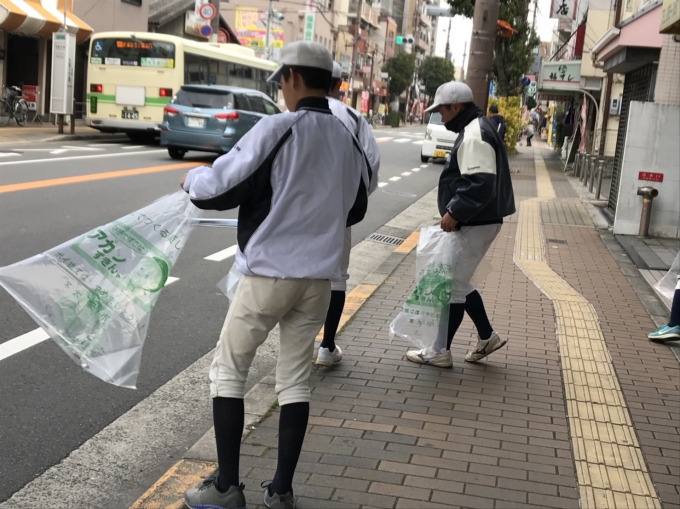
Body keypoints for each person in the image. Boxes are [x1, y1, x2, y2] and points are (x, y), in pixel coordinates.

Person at [181, 41, 370, 509]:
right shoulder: (347, 136)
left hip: (269, 275)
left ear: (292, 77)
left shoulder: (279, 127)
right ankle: (281, 491)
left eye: (282, 79)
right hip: (318, 281)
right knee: (294, 380)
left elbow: (221, 186)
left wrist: (191, 181)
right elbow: (357, 206)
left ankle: (226, 488)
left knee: (228, 371)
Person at [406, 81, 515, 367]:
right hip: (482, 219)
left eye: (442, 111)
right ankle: (486, 335)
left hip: (475, 220)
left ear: (455, 107)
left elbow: (481, 182)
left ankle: (439, 351)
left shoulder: (475, 133)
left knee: (452, 287)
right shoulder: (475, 128)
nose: (441, 118)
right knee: (459, 282)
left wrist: (455, 211)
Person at [316, 62, 380, 366]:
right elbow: (371, 165)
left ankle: (296, 345)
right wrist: (352, 201)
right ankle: (326, 346)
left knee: (294, 273)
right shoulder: (352, 117)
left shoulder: (289, 115)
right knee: (336, 277)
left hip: (292, 211)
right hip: (337, 210)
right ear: (339, 84)